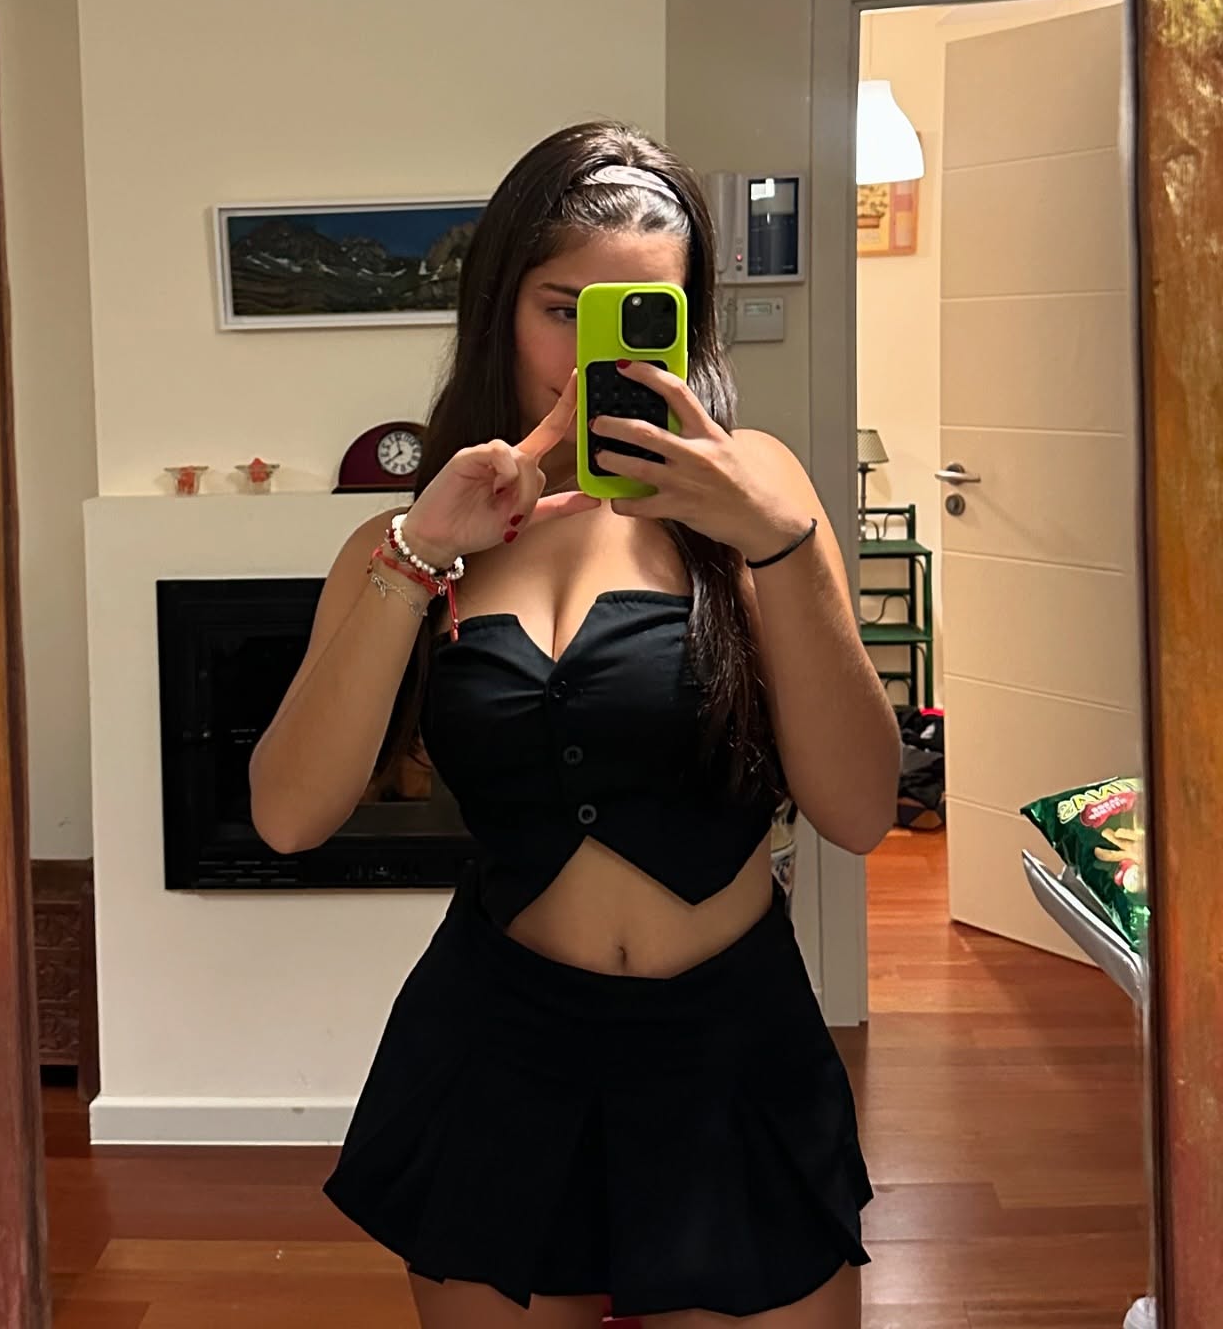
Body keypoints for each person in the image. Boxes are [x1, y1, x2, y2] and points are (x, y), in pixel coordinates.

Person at [249, 121, 900, 1328]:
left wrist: (777, 545)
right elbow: (288, 817)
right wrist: (416, 555)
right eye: (566, 310)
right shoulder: (411, 535)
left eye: (648, 316)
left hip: (729, 1048)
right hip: (501, 1049)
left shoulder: (758, 491)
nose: (601, 354)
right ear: (499, 306)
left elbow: (860, 811)